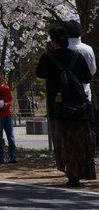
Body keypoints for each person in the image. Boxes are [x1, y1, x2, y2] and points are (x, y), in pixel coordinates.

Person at [36, 24, 95, 188]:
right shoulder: (77, 57)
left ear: (53, 41)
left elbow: (40, 73)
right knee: (78, 140)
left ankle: (71, 173)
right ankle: (81, 171)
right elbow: (86, 79)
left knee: (63, 140)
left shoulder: (48, 58)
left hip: (58, 106)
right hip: (77, 106)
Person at [65, 19, 97, 102]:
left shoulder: (61, 50)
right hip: (84, 93)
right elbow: (92, 71)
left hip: (65, 94)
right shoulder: (88, 49)